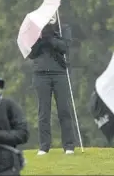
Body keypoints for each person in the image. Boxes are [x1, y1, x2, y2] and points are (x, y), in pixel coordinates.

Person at [28, 13, 76, 155]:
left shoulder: (63, 28)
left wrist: (50, 37)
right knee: (44, 112)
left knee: (64, 110)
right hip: (41, 74)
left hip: (59, 73)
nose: (50, 17)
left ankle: (68, 146)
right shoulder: (36, 30)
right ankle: (44, 147)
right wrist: (41, 38)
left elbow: (64, 47)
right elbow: (31, 53)